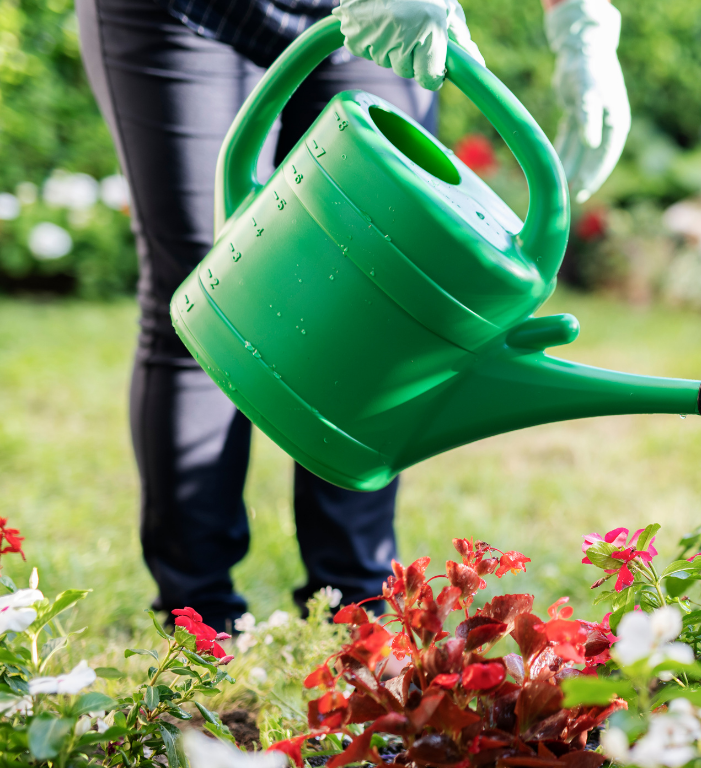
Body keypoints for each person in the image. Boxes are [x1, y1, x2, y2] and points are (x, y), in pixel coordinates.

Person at [76, 0, 629, 631]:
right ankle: (198, 621)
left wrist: (582, 24)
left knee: (384, 311)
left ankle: (356, 611)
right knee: (208, 290)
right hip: (186, 13)